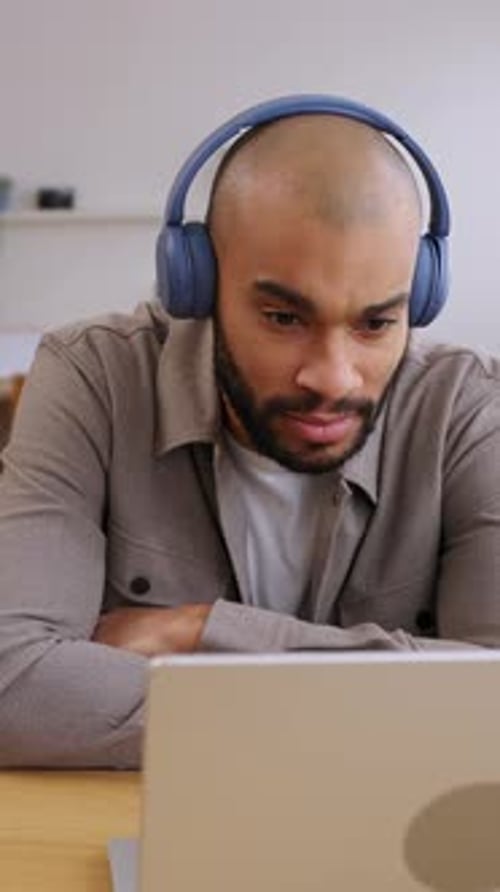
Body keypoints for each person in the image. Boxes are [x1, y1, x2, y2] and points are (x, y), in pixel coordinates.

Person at [1, 95, 500, 769]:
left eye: (376, 324)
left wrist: (204, 631)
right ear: (198, 288)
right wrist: (397, 701)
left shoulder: (466, 406)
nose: (333, 377)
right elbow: (14, 689)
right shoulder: (94, 375)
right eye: (283, 317)